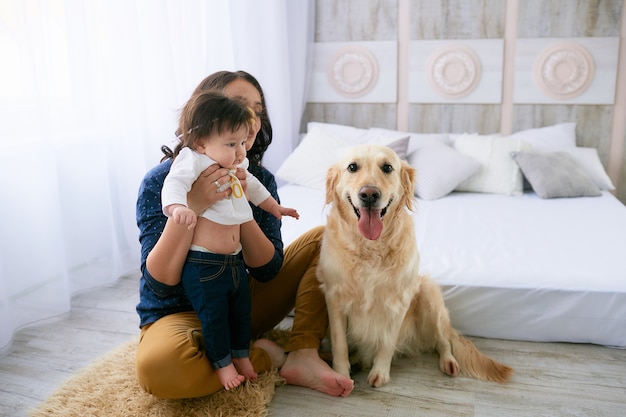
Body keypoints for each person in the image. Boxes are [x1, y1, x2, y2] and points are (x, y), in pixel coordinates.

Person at [135, 70, 354, 398]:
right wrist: (194, 205)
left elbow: (266, 270)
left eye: (258, 109)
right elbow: (160, 283)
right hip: (179, 312)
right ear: (204, 120)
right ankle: (267, 355)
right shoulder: (163, 181)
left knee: (327, 235)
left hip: (239, 297)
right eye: (239, 105)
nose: (251, 118)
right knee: (161, 369)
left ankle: (304, 353)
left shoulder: (257, 179)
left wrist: (238, 208)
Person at [161, 90, 299, 390]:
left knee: (240, 314)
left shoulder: (237, 165)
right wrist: (179, 208)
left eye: (241, 143)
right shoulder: (193, 161)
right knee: (215, 318)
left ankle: (242, 355)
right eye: (231, 144)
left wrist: (274, 208)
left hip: (234, 262)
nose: (240, 152)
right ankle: (223, 366)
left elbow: (256, 188)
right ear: (200, 142)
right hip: (203, 263)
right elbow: (173, 185)